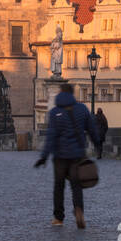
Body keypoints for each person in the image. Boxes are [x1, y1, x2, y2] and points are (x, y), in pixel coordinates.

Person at [35, 82, 103, 228]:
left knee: (59, 187)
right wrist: (97, 144)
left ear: (60, 93)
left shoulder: (54, 112)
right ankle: (79, 210)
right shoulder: (82, 109)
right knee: (76, 186)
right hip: (77, 154)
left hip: (60, 156)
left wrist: (44, 156)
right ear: (72, 94)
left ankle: (58, 218)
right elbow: (92, 128)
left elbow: (51, 136)